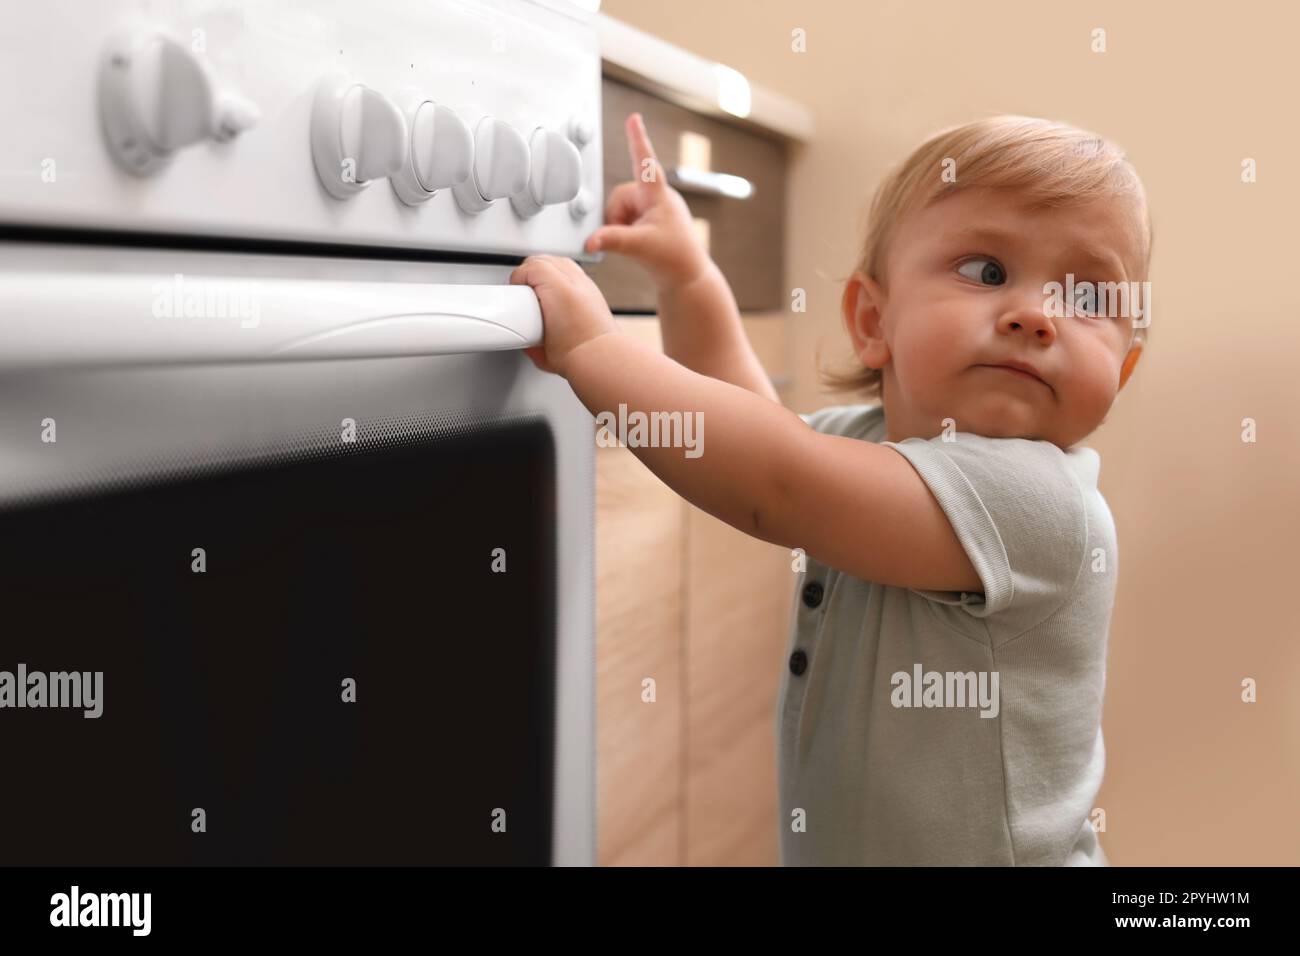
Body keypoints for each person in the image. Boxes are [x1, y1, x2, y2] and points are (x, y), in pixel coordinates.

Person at [509, 112, 1151, 865]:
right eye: (987, 272)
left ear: (1125, 370)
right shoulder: (874, 444)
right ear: (873, 319)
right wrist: (688, 277)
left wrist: (592, 349)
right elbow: (755, 430)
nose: (1038, 317)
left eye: (1088, 298)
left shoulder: (1044, 507)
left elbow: (778, 483)